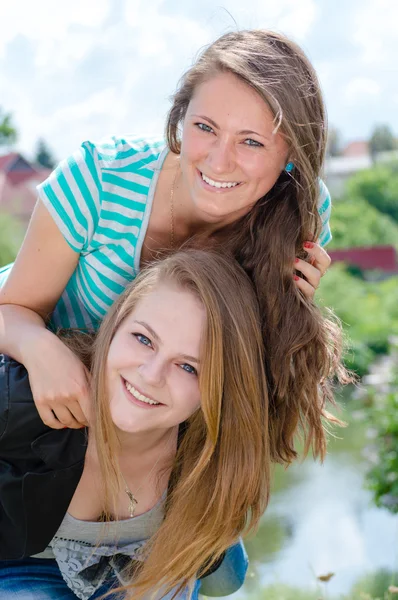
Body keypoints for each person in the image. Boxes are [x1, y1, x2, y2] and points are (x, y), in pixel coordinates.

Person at [0, 30, 340, 460]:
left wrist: (286, 309)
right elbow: (9, 311)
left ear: (291, 151)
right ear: (181, 119)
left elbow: (243, 373)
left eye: (251, 141)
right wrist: (40, 348)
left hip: (152, 440)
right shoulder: (100, 179)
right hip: (34, 415)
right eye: (205, 128)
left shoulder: (297, 211)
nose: (219, 161)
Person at [0, 250, 269, 600]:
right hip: (22, 561)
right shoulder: (20, 403)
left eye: (189, 367)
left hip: (152, 551)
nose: (150, 376)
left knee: (226, 580)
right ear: (113, 327)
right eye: (143, 339)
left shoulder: (212, 447)